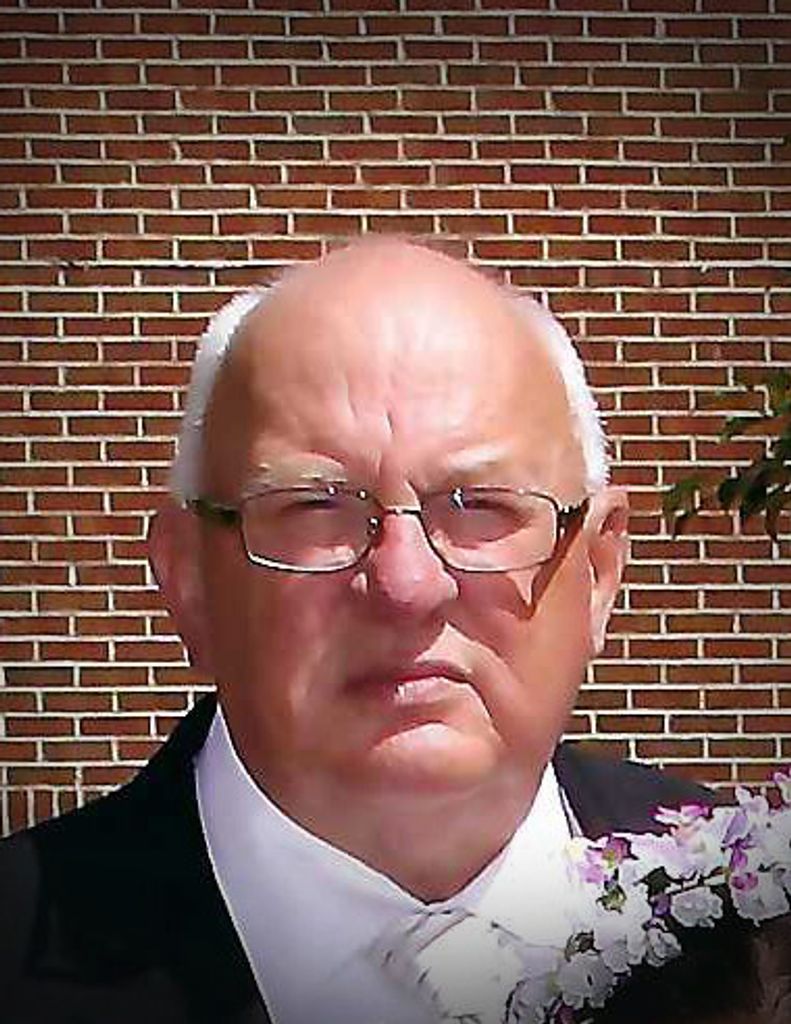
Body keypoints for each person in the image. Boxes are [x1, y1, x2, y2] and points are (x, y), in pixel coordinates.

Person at [0, 238, 763, 1023]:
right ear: (188, 581)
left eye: (480, 506)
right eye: (314, 507)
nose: (406, 586)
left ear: (597, 573)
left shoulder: (753, 926)